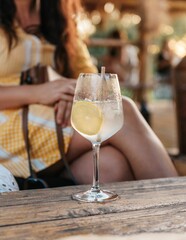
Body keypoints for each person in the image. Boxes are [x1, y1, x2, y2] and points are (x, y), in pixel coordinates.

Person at [0, 0, 178, 189]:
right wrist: (38, 92)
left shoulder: (57, 17)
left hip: (55, 120)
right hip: (7, 123)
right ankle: (177, 205)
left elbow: (91, 79)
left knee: (112, 166)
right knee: (122, 111)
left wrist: (72, 94)